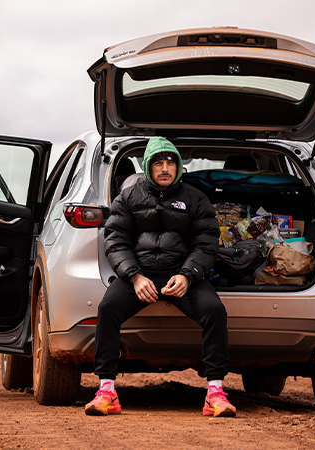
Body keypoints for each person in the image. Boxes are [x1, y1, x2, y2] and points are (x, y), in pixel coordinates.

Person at [84, 136, 236, 417]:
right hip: (140, 275)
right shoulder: (128, 197)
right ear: (148, 166)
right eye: (158, 163)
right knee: (107, 309)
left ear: (178, 166)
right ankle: (106, 391)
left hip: (182, 275)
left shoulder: (195, 198)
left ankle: (215, 392)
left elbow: (207, 243)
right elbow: (115, 241)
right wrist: (134, 276)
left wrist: (188, 275)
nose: (165, 168)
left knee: (215, 310)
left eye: (170, 163)